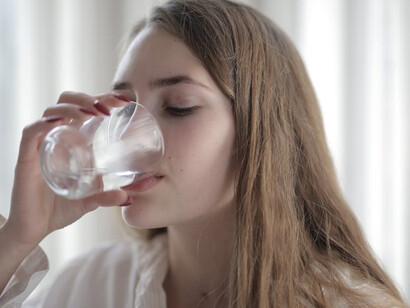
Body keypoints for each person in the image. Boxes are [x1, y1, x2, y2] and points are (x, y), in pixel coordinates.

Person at [0, 0, 407, 307]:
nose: (130, 137)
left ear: (261, 133)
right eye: (123, 108)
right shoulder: (94, 284)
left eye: (178, 106)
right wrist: (16, 238)